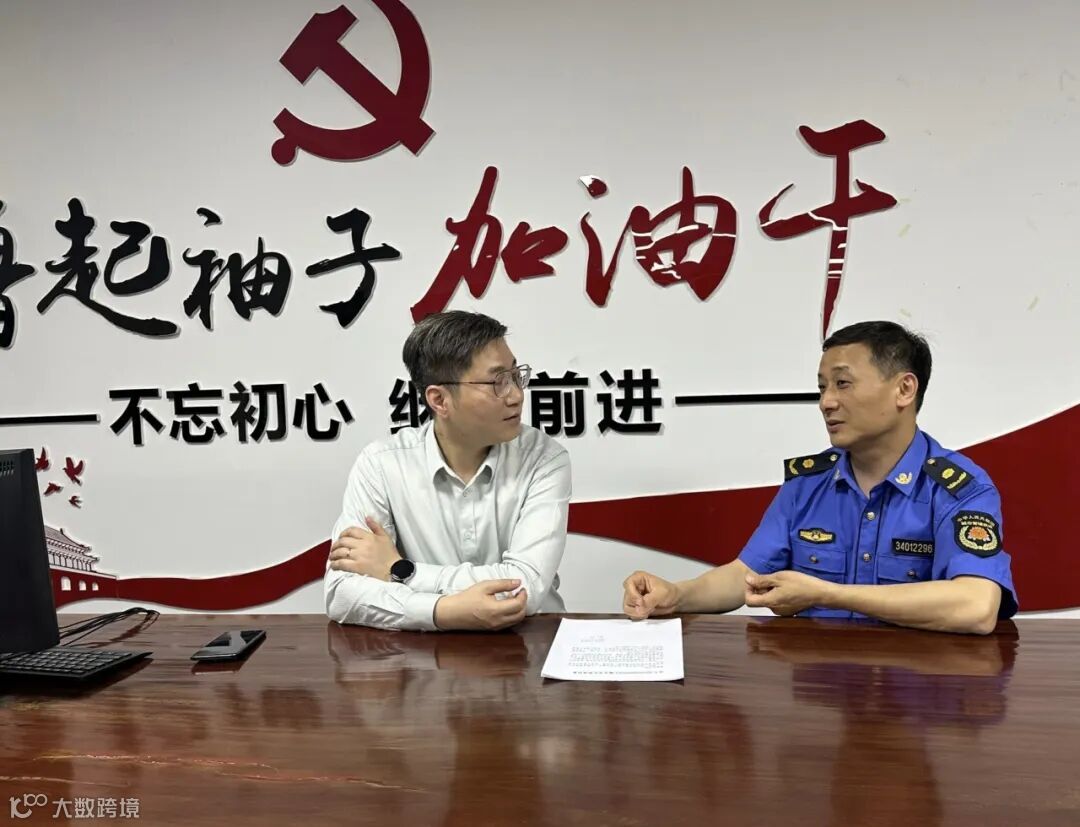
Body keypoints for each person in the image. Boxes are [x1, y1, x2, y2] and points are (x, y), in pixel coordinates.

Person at [622, 321, 1018, 634]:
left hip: (918, 696)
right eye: (822, 387)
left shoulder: (959, 488)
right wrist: (676, 595)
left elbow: (976, 607)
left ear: (904, 389)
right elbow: (745, 575)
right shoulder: (808, 483)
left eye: (843, 384)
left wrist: (828, 594)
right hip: (822, 695)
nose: (826, 402)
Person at [326, 311, 571, 631]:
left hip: (530, 643)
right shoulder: (382, 464)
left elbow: (526, 586)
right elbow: (342, 594)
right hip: (421, 655)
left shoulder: (543, 459)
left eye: (515, 375)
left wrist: (402, 571)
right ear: (439, 400)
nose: (516, 395)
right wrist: (443, 611)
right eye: (497, 382)